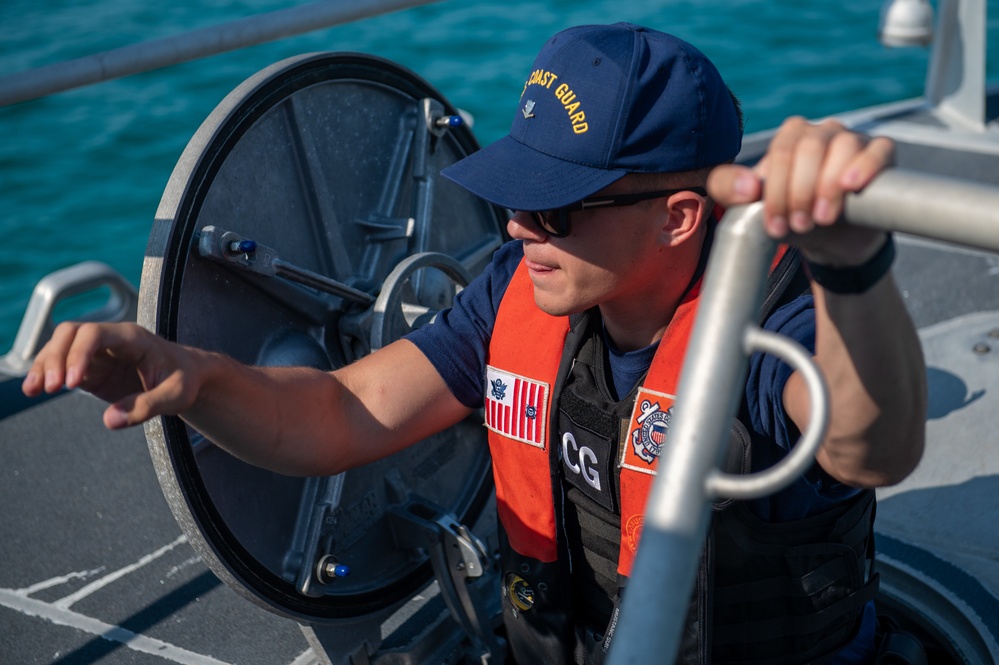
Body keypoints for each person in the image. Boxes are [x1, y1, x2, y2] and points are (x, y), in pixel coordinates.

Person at [22, 22, 925, 665]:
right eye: (515, 190)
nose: (521, 226)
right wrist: (188, 373)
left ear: (679, 218)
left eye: (557, 206)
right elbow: (341, 412)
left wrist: (849, 266)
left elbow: (870, 446)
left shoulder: (775, 316)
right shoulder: (518, 286)